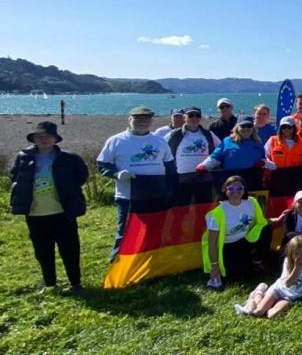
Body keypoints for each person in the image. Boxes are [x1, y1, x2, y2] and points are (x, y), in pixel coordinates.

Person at [9, 121, 88, 293]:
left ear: (55, 139)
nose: (44, 139)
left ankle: (75, 284)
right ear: (34, 139)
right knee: (43, 251)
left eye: (48, 136)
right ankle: (50, 284)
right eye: (39, 136)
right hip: (35, 212)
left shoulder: (69, 158)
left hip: (63, 211)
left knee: (70, 249)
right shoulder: (24, 156)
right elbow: (15, 176)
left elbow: (81, 176)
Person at [97, 106, 176, 259]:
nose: (142, 122)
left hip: (156, 194)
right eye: (138, 118)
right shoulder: (116, 140)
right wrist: (117, 174)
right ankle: (119, 262)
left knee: (155, 227)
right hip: (128, 195)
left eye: (146, 118)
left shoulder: (159, 141)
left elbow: (170, 167)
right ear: (130, 120)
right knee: (126, 230)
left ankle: (153, 259)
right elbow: (102, 164)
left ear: (151, 120)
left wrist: (172, 189)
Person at [202, 174, 269, 290]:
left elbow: (261, 222)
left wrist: (276, 220)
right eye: (231, 188)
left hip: (245, 240)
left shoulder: (251, 202)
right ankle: (246, 264)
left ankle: (258, 260)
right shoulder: (217, 213)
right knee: (242, 274)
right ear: (225, 191)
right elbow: (211, 243)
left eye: (239, 188)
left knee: (266, 229)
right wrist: (214, 266)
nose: (235, 191)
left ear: (244, 190)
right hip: (228, 247)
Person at [234, 234, 302, 318]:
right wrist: (296, 267)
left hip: (290, 296)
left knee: (272, 315)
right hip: (279, 289)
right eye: (296, 253)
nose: (300, 256)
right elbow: (288, 284)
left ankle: (267, 303)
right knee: (258, 312)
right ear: (291, 254)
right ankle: (259, 291)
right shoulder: (288, 261)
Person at [197, 116, 265, 172]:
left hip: (253, 180)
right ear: (237, 128)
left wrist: (263, 162)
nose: (246, 128)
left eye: (249, 126)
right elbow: (215, 157)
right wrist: (204, 166)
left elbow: (263, 158)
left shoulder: (257, 142)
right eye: (243, 126)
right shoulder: (228, 141)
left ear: (253, 128)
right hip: (232, 180)